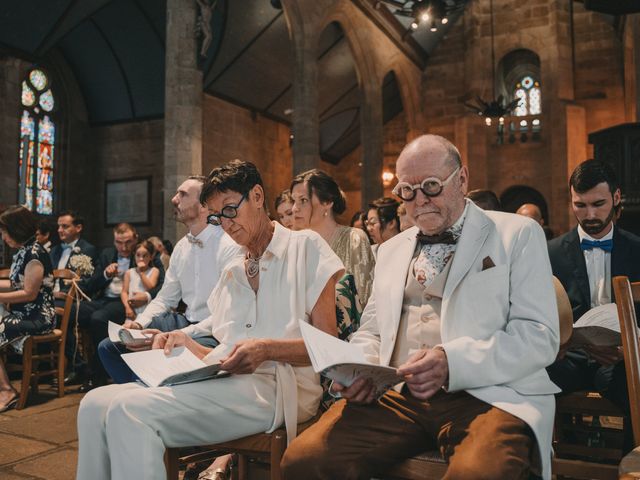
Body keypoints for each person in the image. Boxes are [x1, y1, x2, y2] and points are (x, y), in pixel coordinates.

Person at [282, 134, 560, 480]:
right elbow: (372, 331)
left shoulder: (516, 234)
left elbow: (539, 336)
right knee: (304, 460)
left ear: (462, 179)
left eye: (431, 186)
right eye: (407, 191)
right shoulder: (389, 249)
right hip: (397, 398)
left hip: (490, 395)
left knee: (477, 473)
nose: (419, 201)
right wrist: (358, 371)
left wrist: (451, 362)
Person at [76, 159, 344, 480]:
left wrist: (267, 350)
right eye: (217, 216)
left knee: (130, 411)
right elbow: (227, 351)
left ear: (257, 196)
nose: (226, 225)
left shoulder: (305, 247)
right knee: (93, 404)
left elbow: (330, 347)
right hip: (229, 383)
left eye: (230, 209)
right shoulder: (233, 269)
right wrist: (187, 345)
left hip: (281, 389)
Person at [97, 175, 240, 384]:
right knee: (109, 348)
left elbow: (226, 314)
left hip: (214, 331)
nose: (174, 199)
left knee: (166, 352)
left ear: (204, 205)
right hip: (183, 321)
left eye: (182, 194)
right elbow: (165, 299)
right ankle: (142, 391)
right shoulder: (182, 247)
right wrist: (138, 325)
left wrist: (178, 334)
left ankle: (150, 393)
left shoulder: (229, 245)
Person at [547, 159, 640, 448]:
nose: (589, 214)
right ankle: (550, 464)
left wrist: (629, 347)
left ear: (616, 197)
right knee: (525, 381)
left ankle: (631, 462)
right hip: (569, 358)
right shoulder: (550, 253)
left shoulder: (637, 249)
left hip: (621, 360)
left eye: (598, 204)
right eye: (580, 205)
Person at [78, 223, 165, 390]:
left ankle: (98, 374)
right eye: (118, 242)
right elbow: (90, 285)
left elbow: (163, 285)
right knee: (72, 313)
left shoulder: (143, 254)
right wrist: (105, 274)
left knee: (98, 320)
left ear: (136, 238)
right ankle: (78, 367)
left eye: (128, 242)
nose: (123, 247)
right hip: (103, 298)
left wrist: (146, 296)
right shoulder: (107, 254)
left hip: (125, 303)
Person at [291, 169, 375, 309]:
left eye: (303, 200)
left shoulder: (354, 239)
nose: (294, 208)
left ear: (327, 202)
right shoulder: (297, 243)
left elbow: (365, 298)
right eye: (294, 201)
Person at [0, 206, 55, 411]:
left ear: (16, 229)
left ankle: (6, 390)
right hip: (24, 313)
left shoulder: (34, 253)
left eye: (4, 232)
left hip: (38, 317)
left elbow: (29, 293)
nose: (3, 237)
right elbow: (15, 284)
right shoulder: (24, 251)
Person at [49, 210, 99, 384]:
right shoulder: (54, 251)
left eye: (65, 226)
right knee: (50, 313)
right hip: (53, 298)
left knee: (58, 316)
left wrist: (68, 291)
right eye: (59, 227)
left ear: (78, 228)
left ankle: (78, 367)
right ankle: (74, 366)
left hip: (75, 300)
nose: (60, 230)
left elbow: (88, 282)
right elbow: (46, 277)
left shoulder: (88, 250)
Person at [122, 240, 160, 319]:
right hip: (132, 309)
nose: (141, 259)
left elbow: (150, 287)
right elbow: (124, 292)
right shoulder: (129, 272)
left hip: (147, 309)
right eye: (138, 255)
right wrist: (127, 307)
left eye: (145, 255)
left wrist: (141, 273)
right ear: (134, 256)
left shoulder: (154, 271)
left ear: (151, 257)